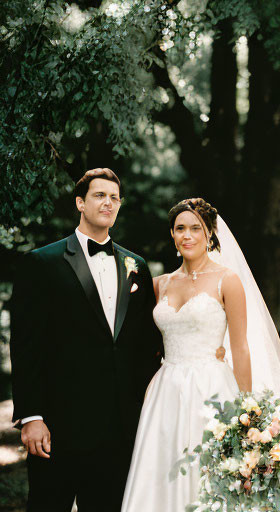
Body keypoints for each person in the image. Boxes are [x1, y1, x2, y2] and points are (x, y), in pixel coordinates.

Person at [121, 198, 280, 512]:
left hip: (212, 389)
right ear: (172, 234)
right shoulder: (159, 285)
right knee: (161, 474)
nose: (188, 235)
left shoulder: (227, 280)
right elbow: (139, 340)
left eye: (196, 228)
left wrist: (248, 413)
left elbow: (241, 347)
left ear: (210, 235)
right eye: (180, 228)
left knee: (211, 476)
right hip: (165, 391)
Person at [10, 168, 163, 512]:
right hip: (58, 427)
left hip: (119, 431)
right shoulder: (42, 263)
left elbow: (143, 346)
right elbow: (26, 344)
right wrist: (32, 416)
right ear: (80, 202)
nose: (108, 203)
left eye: (114, 197)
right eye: (99, 195)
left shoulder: (135, 265)